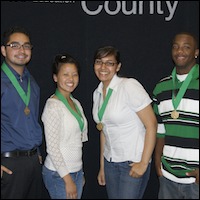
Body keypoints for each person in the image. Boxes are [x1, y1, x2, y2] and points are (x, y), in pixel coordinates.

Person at [92, 45, 157, 199]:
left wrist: (143, 163)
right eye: (99, 62)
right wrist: (102, 166)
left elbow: (152, 125)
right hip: (110, 162)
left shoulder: (129, 86)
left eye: (110, 63)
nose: (103, 67)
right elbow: (104, 131)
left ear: (118, 67)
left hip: (132, 161)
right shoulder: (97, 93)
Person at [153, 32, 199, 199]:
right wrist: (157, 160)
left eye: (186, 47)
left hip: (195, 180)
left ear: (196, 52)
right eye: (176, 46)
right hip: (168, 177)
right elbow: (160, 130)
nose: (180, 51)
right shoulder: (161, 87)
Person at [1, 26, 43, 199]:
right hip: (9, 163)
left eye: (26, 46)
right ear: (3, 50)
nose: (21, 50)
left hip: (32, 161)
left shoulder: (31, 81)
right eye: (15, 45)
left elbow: (31, 120)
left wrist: (37, 154)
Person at [41, 53, 88, 199]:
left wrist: (79, 173)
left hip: (76, 171)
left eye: (74, 74)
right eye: (65, 74)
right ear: (55, 77)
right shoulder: (53, 106)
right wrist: (68, 180)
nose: (71, 79)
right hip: (58, 174)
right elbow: (53, 148)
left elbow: (77, 141)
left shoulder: (76, 103)